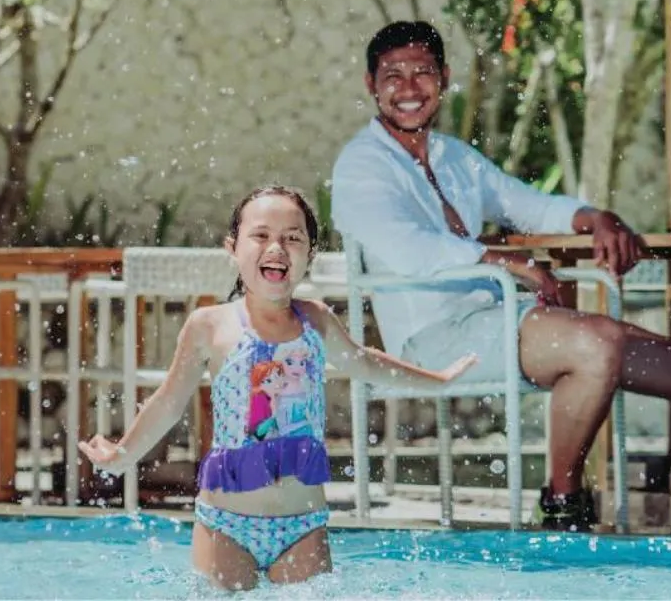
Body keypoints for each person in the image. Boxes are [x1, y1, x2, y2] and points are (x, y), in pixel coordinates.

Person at [330, 21, 671, 532]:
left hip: (501, 318)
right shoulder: (362, 165)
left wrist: (594, 219)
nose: (407, 88)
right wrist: (506, 263)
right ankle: (563, 499)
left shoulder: (453, 157)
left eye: (421, 72)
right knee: (595, 343)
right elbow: (406, 247)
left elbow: (530, 207)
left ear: (444, 78)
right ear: (371, 85)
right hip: (432, 342)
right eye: (392, 75)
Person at [79, 186, 476, 591]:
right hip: (225, 526)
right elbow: (168, 402)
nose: (277, 247)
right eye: (261, 235)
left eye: (292, 237)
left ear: (310, 255)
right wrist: (122, 453)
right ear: (233, 248)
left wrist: (438, 381)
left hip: (302, 527)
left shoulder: (316, 321)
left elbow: (364, 361)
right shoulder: (209, 325)